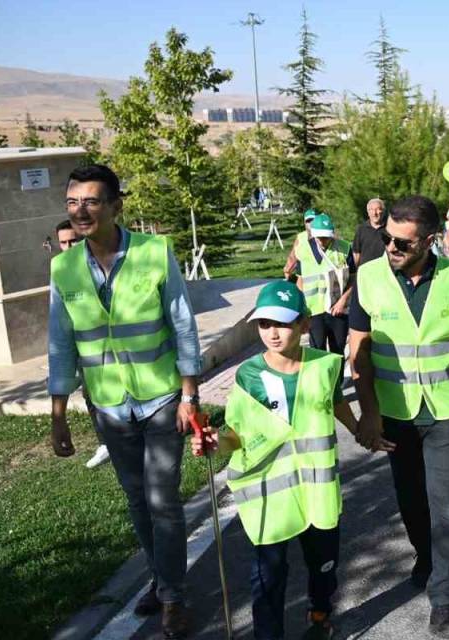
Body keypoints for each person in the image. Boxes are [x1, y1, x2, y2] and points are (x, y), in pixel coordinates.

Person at [48, 164, 201, 638]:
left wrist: (190, 394)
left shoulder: (154, 252)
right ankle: (161, 578)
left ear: (116, 206)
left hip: (161, 397)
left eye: (91, 202)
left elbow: (182, 324)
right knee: (137, 500)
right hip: (108, 405)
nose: (80, 211)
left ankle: (172, 597)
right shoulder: (63, 267)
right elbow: (61, 342)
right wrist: (58, 414)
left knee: (162, 500)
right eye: (73, 202)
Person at [191, 281, 383, 640]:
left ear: (305, 324)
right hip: (270, 497)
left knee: (323, 566)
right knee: (269, 575)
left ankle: (320, 615)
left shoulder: (325, 366)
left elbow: (335, 401)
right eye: (265, 324)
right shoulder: (249, 376)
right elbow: (236, 433)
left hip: (317, 493)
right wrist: (217, 442)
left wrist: (360, 430)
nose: (273, 333)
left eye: (282, 323)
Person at [349, 195, 449, 639]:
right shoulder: (369, 277)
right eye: (387, 239)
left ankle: (445, 603)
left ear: (430, 241)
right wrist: (368, 413)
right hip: (396, 412)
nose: (391, 248)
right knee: (411, 501)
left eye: (403, 243)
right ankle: (426, 555)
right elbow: (359, 351)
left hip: (448, 409)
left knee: (446, 505)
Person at [55, 219, 112, 470]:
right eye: (63, 243)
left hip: (115, 349)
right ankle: (105, 442)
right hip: (85, 351)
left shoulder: (101, 265)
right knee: (90, 395)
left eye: (73, 241)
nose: (69, 247)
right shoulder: (61, 270)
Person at [297, 214, 352, 357]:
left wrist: (343, 301)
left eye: (326, 237)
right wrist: (301, 309)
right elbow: (300, 281)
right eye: (320, 237)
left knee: (337, 352)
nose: (323, 240)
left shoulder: (345, 248)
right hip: (313, 311)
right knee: (317, 352)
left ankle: (337, 373)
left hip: (337, 309)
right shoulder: (302, 250)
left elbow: (354, 278)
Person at [283, 210, 319, 281]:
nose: (311, 223)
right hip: (304, 278)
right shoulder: (301, 237)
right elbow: (293, 257)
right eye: (308, 221)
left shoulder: (325, 236)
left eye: (314, 220)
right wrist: (287, 271)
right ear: (305, 223)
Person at [352, 198, 389, 267]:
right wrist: (358, 269)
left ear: (383, 211)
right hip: (365, 270)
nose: (374, 213)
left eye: (378, 209)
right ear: (368, 212)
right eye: (371, 210)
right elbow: (356, 253)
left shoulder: (390, 228)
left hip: (385, 269)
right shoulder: (361, 229)